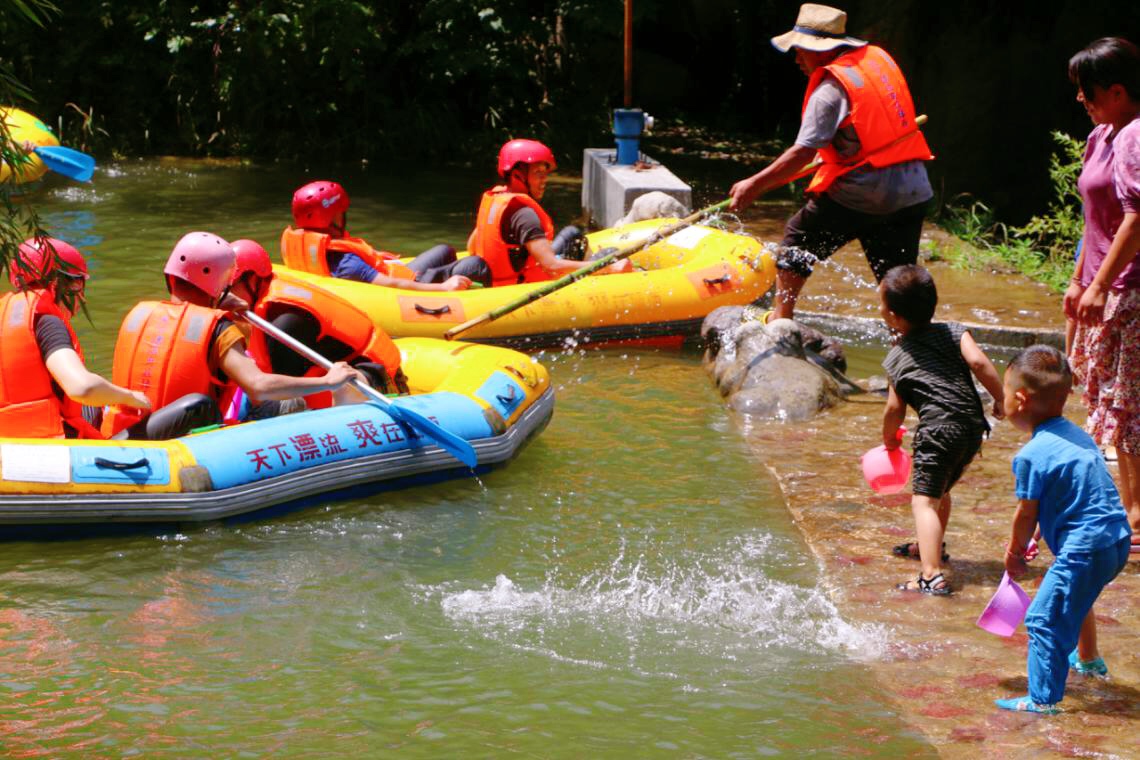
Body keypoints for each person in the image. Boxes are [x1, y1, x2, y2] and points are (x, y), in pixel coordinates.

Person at [728, 3, 933, 321]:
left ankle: (781, 321)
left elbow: (802, 153)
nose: (796, 59)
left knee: (797, 241)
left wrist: (754, 184)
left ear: (820, 50)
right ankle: (907, 344)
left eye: (800, 51)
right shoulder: (872, 64)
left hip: (866, 192)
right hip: (913, 191)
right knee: (897, 281)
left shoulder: (828, 91)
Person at [101, 232, 362, 439]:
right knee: (293, 405)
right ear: (221, 285)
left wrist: (214, 306)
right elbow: (258, 386)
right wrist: (329, 382)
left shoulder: (139, 315)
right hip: (179, 443)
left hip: (127, 431)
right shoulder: (218, 329)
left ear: (170, 277)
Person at [995, 345, 1131, 714]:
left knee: (1042, 619)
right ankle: (1088, 661)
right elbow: (1071, 493)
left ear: (1020, 400)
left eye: (1004, 393)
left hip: (1086, 546)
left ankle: (1042, 701)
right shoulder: (1077, 435)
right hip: (1116, 541)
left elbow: (1026, 513)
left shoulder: (1029, 456)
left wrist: (1015, 552)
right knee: (1074, 594)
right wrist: (1041, 535)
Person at [878, 265, 1004, 595]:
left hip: (937, 431)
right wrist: (1001, 398)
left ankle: (931, 574)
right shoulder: (953, 331)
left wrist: (889, 438)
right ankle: (929, 546)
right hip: (972, 427)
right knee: (941, 490)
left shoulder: (897, 357)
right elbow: (979, 363)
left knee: (923, 502)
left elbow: (894, 409)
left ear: (892, 316)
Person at [1064, 37, 1140, 554]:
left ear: (1116, 90)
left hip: (1128, 290)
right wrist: (1076, 282)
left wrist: (1099, 285)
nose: (1080, 100)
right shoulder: (1100, 136)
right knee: (1105, 401)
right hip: (1097, 288)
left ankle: (1136, 517)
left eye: (1087, 91)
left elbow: (1137, 217)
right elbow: (1094, 221)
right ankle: (1128, 508)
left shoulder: (1136, 135)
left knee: (1129, 406)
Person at [227, 239, 408, 413]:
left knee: (340, 389)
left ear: (252, 279)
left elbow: (286, 398)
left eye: (230, 287)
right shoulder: (267, 297)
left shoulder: (284, 323)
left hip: (377, 381)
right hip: (362, 370)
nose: (226, 295)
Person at [0, 237, 150, 438]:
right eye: (77, 284)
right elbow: (83, 388)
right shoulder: (47, 324)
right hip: (52, 449)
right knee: (193, 405)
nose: (82, 297)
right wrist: (131, 397)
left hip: (9, 445)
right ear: (57, 283)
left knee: (91, 406)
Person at [467, 138, 631, 287]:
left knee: (572, 234)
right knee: (610, 255)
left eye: (545, 174)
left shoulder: (497, 198)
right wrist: (608, 267)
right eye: (538, 174)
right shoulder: (524, 215)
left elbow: (472, 246)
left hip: (500, 277)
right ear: (517, 175)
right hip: (522, 285)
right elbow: (552, 267)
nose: (544, 180)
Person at [281, 180, 484, 290]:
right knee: (475, 265)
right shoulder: (346, 263)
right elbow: (392, 284)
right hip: (410, 286)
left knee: (444, 251)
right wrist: (444, 288)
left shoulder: (312, 246)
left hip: (391, 271)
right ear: (330, 219)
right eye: (339, 213)